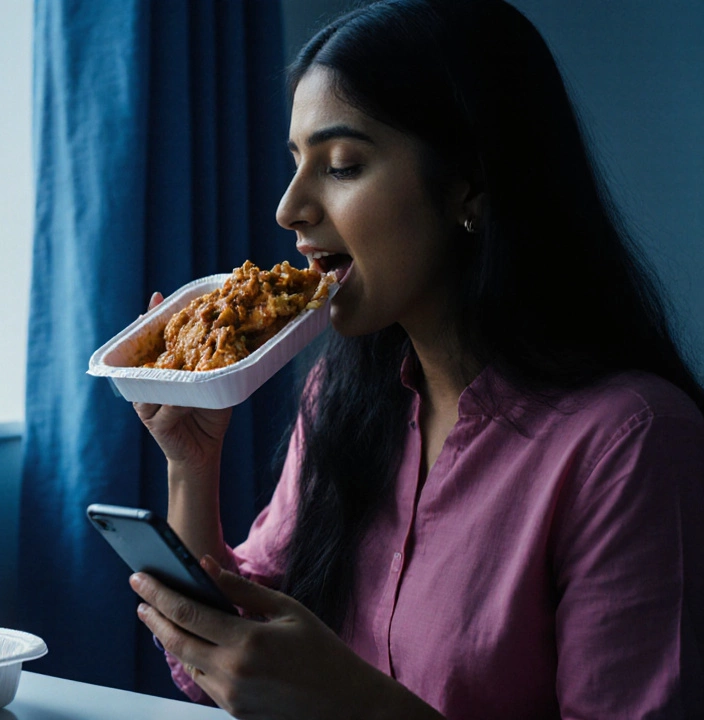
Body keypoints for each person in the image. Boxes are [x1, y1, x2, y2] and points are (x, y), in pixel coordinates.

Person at [128, 1, 704, 718]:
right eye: (294, 162)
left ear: (469, 185)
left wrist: (355, 703)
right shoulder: (343, 399)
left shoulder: (631, 441)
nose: (288, 209)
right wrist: (191, 460)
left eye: (342, 165)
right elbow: (226, 658)